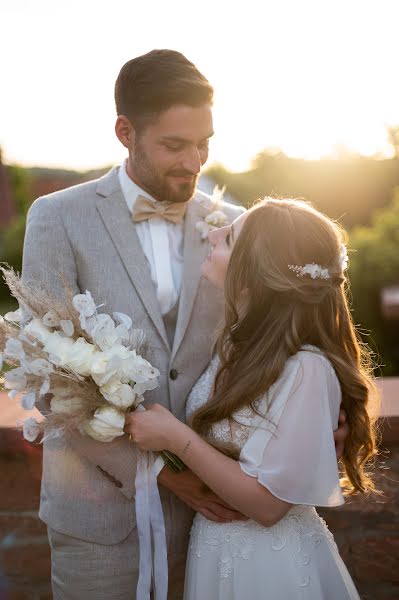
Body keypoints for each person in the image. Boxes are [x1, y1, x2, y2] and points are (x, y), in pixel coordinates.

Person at [22, 49, 347, 599]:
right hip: (101, 520)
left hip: (219, 522)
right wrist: (167, 474)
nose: (194, 162)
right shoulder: (57, 218)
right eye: (175, 145)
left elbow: (296, 323)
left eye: (204, 144)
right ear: (125, 131)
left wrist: (329, 418)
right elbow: (46, 375)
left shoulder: (236, 225)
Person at [125, 198, 379, 599]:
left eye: (228, 238)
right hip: (215, 551)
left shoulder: (306, 369)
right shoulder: (235, 346)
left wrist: (175, 438)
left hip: (270, 567)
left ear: (256, 273)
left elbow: (267, 507)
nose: (211, 234)